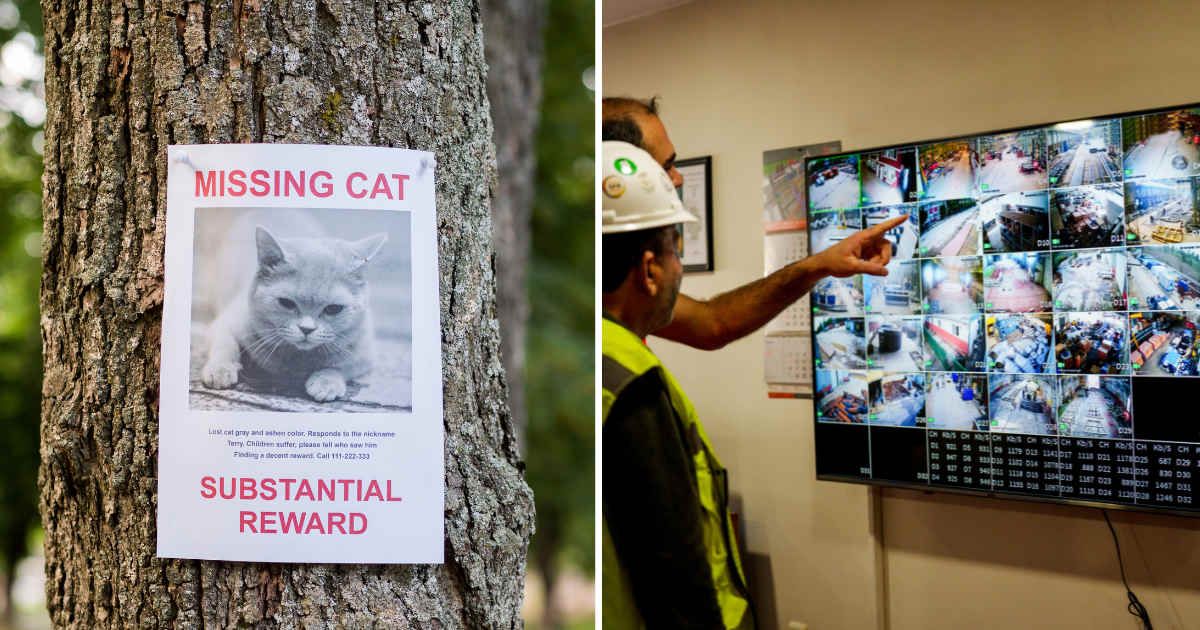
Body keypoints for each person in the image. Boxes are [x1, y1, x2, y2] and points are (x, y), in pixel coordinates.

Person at [602, 96, 904, 349]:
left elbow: (713, 323)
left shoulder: (623, 293)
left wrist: (821, 264)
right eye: (667, 166)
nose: (678, 179)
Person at [601, 140, 754, 628]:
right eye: (675, 249)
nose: (679, 269)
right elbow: (674, 572)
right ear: (649, 269)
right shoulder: (631, 384)